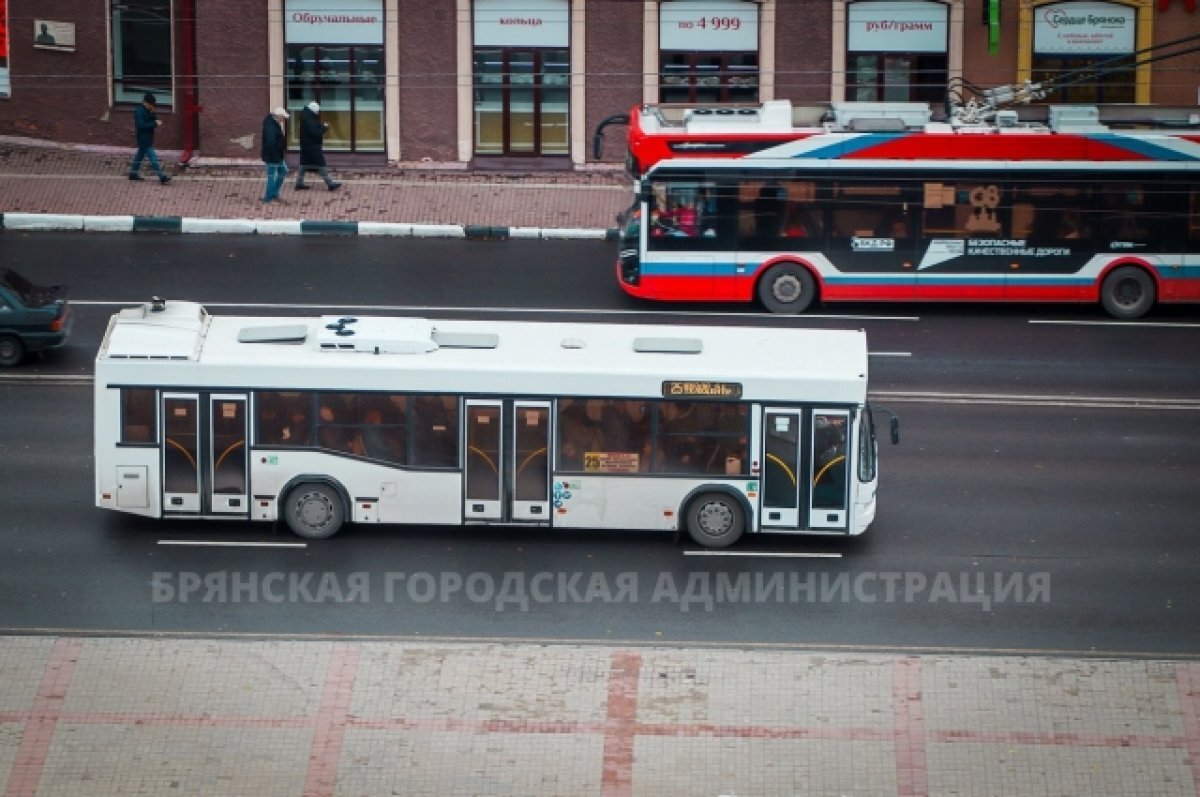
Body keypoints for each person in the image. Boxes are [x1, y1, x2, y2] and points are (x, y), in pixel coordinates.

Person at [295, 101, 341, 191]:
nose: (317, 113)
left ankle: (299, 183)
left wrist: (320, 126)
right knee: (320, 164)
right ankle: (330, 184)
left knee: (303, 165)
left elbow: (313, 128)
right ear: (313, 111)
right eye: (317, 112)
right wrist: (324, 127)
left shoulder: (306, 118)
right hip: (312, 146)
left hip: (306, 145)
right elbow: (316, 133)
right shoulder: (309, 120)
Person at [128, 93, 171, 184]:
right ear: (146, 103)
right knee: (153, 158)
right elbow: (141, 125)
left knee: (139, 156)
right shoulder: (139, 111)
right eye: (151, 105)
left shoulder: (148, 110)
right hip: (143, 139)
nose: (152, 107)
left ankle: (132, 173)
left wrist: (153, 116)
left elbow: (152, 119)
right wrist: (155, 124)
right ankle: (162, 176)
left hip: (148, 138)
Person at [261, 106, 289, 204]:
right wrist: (276, 157)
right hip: (273, 156)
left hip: (276, 155)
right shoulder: (271, 127)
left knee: (283, 171)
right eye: (283, 117)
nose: (283, 119)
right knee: (272, 176)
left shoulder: (273, 123)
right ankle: (269, 198)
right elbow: (270, 143)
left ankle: (273, 194)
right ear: (278, 116)